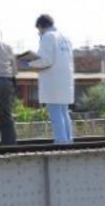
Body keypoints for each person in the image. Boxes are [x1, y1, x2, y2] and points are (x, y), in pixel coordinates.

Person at [27, 14, 75, 144]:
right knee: (64, 112)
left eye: (39, 30)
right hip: (65, 81)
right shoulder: (66, 38)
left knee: (55, 112)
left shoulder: (48, 37)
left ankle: (60, 141)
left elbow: (46, 61)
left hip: (53, 81)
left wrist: (28, 63)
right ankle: (68, 140)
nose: (39, 33)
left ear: (41, 26)